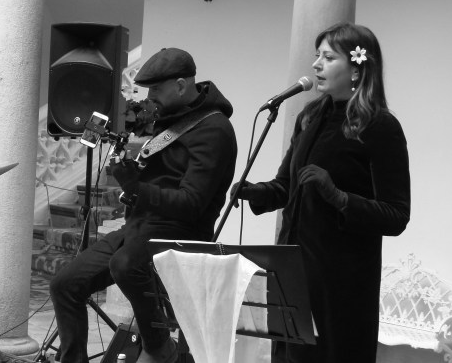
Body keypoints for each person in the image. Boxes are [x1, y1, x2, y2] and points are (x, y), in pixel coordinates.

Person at [232, 23, 410, 363]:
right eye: (317, 56)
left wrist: (339, 197)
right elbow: (287, 186)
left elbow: (396, 215)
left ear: (356, 69)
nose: (316, 65)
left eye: (328, 58)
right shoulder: (310, 116)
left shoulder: (380, 127)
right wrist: (254, 192)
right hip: (291, 271)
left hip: (340, 283)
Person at [50, 48, 238, 363]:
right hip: (141, 227)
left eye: (156, 89)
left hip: (182, 233)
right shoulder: (173, 118)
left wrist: (137, 188)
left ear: (181, 86)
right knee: (65, 285)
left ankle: (159, 346)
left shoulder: (213, 129)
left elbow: (192, 204)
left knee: (126, 264)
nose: (150, 97)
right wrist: (132, 177)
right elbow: (161, 177)